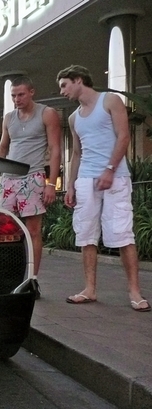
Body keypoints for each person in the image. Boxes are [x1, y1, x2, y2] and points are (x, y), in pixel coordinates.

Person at [56, 65, 149, 311]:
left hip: (115, 176)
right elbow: (76, 153)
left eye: (64, 85)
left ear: (78, 80)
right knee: (86, 233)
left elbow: (124, 137)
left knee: (122, 233)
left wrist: (109, 169)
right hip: (86, 179)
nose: (62, 91)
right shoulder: (73, 117)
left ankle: (135, 292)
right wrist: (71, 186)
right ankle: (89, 289)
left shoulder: (110, 100)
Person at [0, 75, 61, 298]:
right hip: (9, 179)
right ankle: (8, 277)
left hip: (33, 177)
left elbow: (56, 149)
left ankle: (32, 279)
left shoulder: (46, 113)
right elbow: (3, 147)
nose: (17, 99)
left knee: (33, 231)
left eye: (20, 94)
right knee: (4, 231)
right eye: (13, 95)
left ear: (31, 92)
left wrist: (51, 183)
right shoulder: (9, 117)